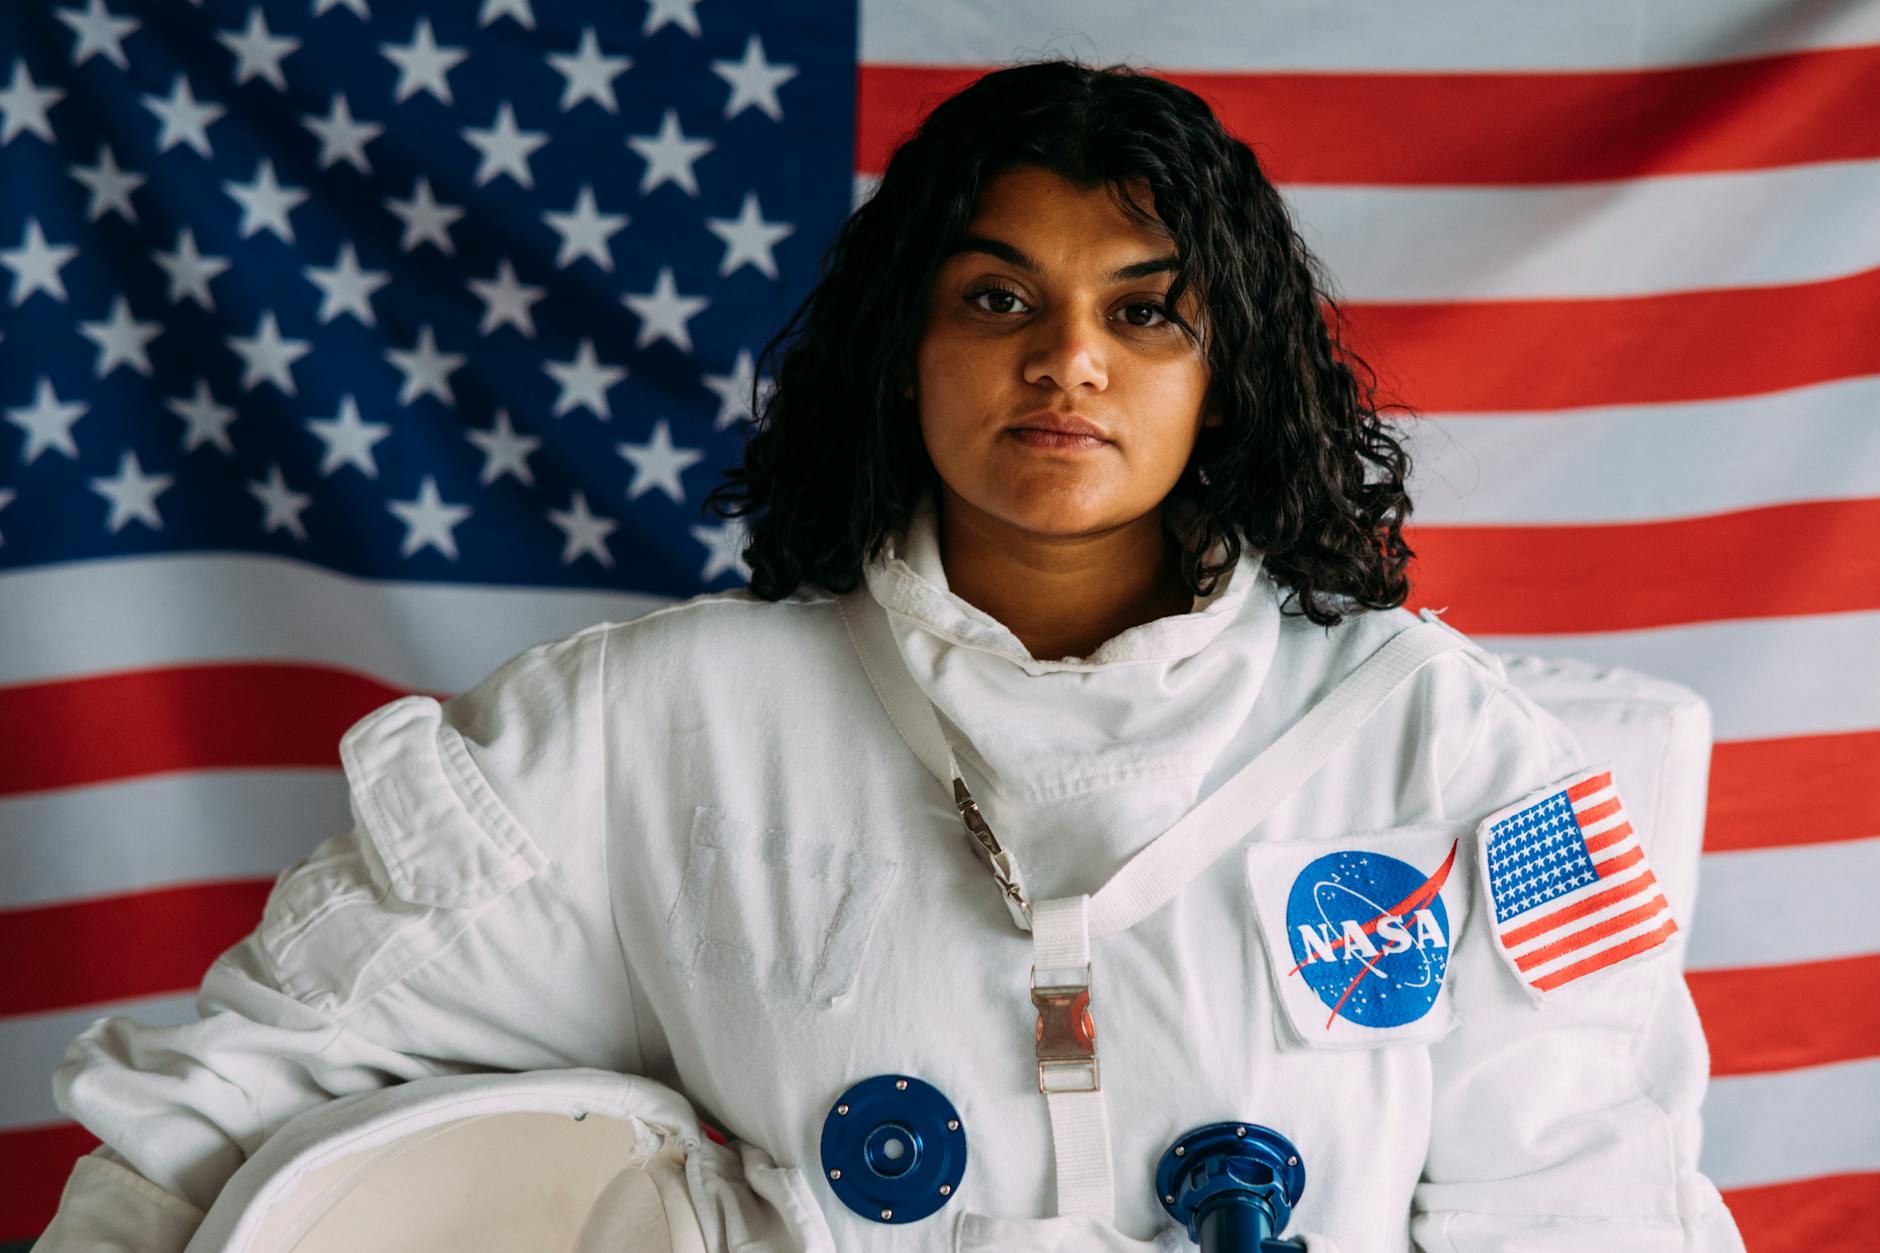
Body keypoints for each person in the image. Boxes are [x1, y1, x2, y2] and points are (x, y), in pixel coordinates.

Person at [37, 59, 1744, 1251]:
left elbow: (1585, 1201)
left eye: (1146, 309)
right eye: (998, 298)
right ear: (901, 347)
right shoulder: (660, 728)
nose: (1069, 360)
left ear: (1226, 374)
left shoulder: (1435, 741)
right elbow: (242, 1094)